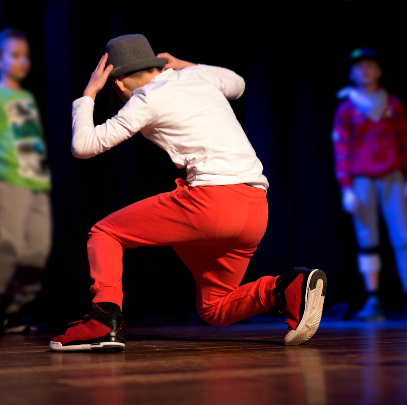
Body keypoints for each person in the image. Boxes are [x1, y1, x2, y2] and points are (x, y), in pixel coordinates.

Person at [49, 34, 327, 352]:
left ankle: (104, 321)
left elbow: (83, 145)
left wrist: (88, 94)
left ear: (119, 84)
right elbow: (237, 83)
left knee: (105, 233)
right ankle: (286, 288)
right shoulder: (196, 75)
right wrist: (188, 64)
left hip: (211, 203)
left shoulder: (145, 98)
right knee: (214, 307)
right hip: (255, 209)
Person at [332, 48, 407, 321]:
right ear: (353, 73)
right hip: (362, 181)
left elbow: (406, 143)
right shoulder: (347, 108)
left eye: (370, 66)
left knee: (403, 237)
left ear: (379, 71)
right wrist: (346, 188)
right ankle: (373, 298)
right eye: (359, 67)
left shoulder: (393, 104)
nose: (364, 71)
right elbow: (341, 150)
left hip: (393, 178)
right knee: (367, 241)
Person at [0, 28, 51, 333]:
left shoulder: (26, 98)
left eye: (26, 56)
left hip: (37, 183)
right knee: (9, 246)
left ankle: (19, 308)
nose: (23, 61)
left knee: (37, 249)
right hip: (8, 178)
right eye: (15, 55)